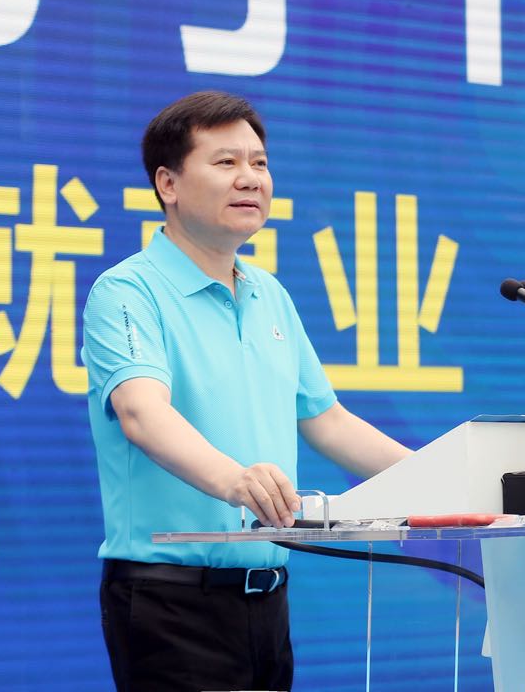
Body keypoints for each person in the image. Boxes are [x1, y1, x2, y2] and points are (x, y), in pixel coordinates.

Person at [82, 90, 411, 691]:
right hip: (170, 602)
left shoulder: (268, 293)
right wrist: (236, 480)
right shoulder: (127, 292)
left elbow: (328, 421)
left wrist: (438, 477)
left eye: (259, 163)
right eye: (226, 162)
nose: (250, 179)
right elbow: (140, 412)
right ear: (168, 183)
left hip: (268, 600)